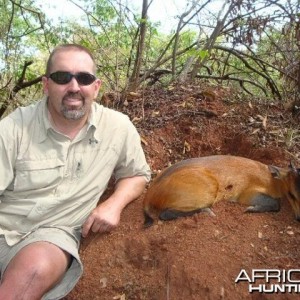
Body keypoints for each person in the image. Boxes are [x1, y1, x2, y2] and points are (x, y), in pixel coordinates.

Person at [0, 44, 151, 299]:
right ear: (46, 85)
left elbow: (137, 174)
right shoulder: (14, 127)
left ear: (96, 86)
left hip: (52, 235)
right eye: (62, 77)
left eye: (84, 78)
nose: (73, 87)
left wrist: (114, 204)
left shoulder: (117, 128)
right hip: (5, 226)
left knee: (36, 269)